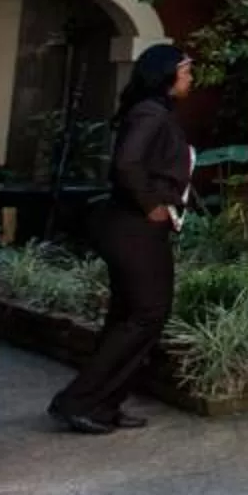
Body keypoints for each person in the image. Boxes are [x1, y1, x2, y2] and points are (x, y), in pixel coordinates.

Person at [48, 43, 194, 435]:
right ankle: (78, 401)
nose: (190, 78)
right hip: (135, 228)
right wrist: (151, 205)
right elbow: (127, 162)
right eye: (185, 71)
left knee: (127, 317)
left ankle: (104, 404)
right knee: (148, 313)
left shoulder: (155, 113)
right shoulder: (150, 113)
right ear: (166, 75)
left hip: (133, 228)